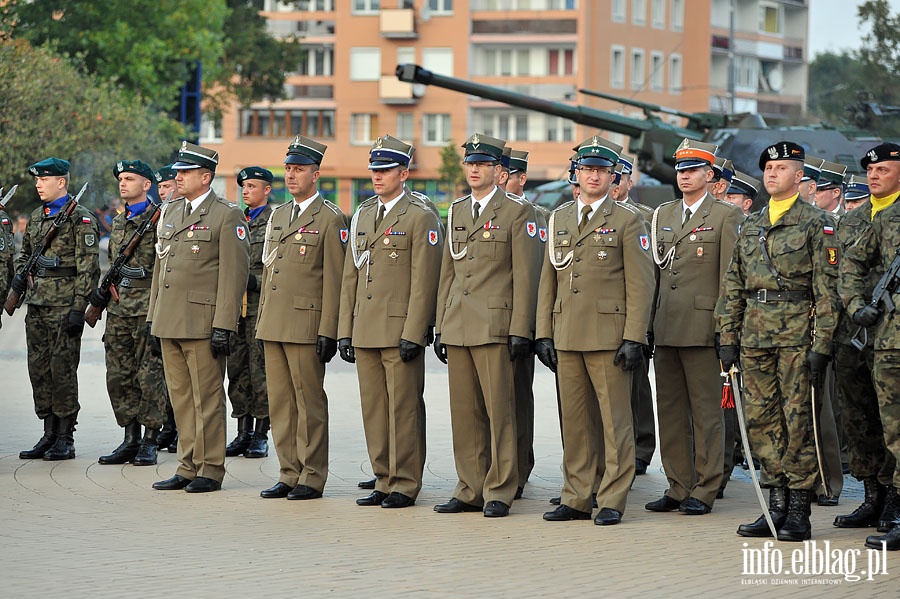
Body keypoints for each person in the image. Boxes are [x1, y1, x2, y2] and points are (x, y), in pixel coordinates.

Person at [717, 141, 839, 541]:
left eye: (782, 167)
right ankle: (776, 507)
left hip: (796, 338)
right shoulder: (751, 224)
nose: (772, 174)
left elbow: (827, 290)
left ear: (799, 175)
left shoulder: (816, 223)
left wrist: (822, 345)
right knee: (761, 422)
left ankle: (800, 510)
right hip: (754, 336)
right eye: (768, 167)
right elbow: (734, 282)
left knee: (798, 421)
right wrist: (727, 335)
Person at [537, 135, 655, 526]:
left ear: (612, 177)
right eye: (587, 170)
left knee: (614, 422)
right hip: (567, 332)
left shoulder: (627, 219)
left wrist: (634, 337)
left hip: (609, 336)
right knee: (574, 421)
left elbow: (641, 284)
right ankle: (576, 495)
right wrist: (543, 332)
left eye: (602, 171)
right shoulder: (561, 217)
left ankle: (611, 499)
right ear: (577, 173)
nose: (593, 176)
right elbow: (548, 280)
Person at [432, 133, 537, 518]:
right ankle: (469, 487)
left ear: (498, 170)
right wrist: (441, 323)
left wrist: (521, 329)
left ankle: (500, 488)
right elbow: (449, 270)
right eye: (470, 163)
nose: (474, 170)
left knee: (500, 412)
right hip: (459, 323)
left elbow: (526, 276)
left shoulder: (515, 211)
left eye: (482, 164)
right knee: (465, 413)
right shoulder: (458, 210)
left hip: (496, 324)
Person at [337, 135, 441, 509]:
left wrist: (415, 331)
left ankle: (405, 482)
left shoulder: (420, 215)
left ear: (404, 173)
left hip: (399, 329)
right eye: (375, 171)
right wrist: (344, 331)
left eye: (385, 171)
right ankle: (383, 478)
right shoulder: (364, 214)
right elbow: (351, 275)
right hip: (365, 327)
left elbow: (424, 279)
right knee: (374, 408)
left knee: (404, 408)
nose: (377, 177)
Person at [644, 139, 741, 516]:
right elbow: (655, 274)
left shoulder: (724, 216)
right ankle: (677, 484)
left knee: (706, 413)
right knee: (669, 410)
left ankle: (705, 486)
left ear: (709, 175)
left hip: (704, 328)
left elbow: (729, 278)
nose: (684, 176)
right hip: (666, 326)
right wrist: (648, 324)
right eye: (680, 170)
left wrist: (726, 331)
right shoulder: (663, 214)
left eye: (692, 171)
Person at [148, 142, 250, 493]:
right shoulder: (171, 210)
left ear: (205, 177)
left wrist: (224, 324)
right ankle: (187, 465)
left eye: (185, 172)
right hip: (169, 320)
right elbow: (161, 266)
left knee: (206, 398)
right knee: (180, 398)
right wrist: (153, 317)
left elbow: (234, 275)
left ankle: (210, 468)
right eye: (177, 171)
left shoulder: (226, 214)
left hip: (203, 322)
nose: (177, 177)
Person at [255, 135, 346, 500]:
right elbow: (270, 272)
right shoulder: (278, 215)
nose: (291, 176)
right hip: (274, 322)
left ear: (316, 174)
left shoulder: (330, 217)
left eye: (299, 170)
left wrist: (329, 330)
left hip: (306, 325)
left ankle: (312, 475)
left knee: (309, 403)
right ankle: (288, 471)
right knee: (279, 402)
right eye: (289, 169)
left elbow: (336, 280)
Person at [834, 143, 899, 534]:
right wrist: (855, 304)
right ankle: (873, 495)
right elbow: (846, 270)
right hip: (854, 331)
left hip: (890, 336)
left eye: (883, 170)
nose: (874, 176)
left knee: (893, 421)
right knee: (858, 419)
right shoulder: (853, 222)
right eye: (870, 171)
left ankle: (894, 499)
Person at [15, 158, 100, 460]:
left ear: (61, 182)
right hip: (37, 305)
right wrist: (19, 277)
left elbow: (89, 268)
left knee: (62, 370)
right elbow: (23, 254)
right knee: (38, 370)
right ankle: (48, 432)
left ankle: (66, 436)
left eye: (44, 179)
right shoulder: (38, 216)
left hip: (64, 306)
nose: (38, 184)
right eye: (37, 180)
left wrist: (79, 308)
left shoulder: (81, 219)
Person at [93, 160, 168, 466]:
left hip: (146, 310)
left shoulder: (161, 219)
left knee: (149, 375)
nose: (123, 184)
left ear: (146, 185)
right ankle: (130, 438)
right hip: (119, 309)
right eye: (121, 179)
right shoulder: (121, 221)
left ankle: (150, 440)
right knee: (119, 375)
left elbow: (164, 269)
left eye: (130, 179)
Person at [499, 147, 545, 499]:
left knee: (516, 399)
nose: (502, 178)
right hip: (484, 321)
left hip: (519, 322)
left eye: (508, 174)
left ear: (520, 178)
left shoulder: (538, 215)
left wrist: (529, 328)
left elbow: (536, 278)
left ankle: (518, 469)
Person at [610, 156, 657, 476]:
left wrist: (646, 326)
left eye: (619, 178)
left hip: (633, 319)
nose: (614, 184)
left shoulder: (645, 218)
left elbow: (651, 275)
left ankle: (641, 448)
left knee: (637, 388)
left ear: (629, 182)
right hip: (599, 319)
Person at [224, 167, 274, 459]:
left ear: (267, 190)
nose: (246, 191)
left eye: (253, 186)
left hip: (259, 306)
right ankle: (242, 432)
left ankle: (260, 434)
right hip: (235, 309)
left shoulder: (273, 222)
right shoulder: (236, 220)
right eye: (244, 186)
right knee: (237, 370)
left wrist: (256, 281)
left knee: (260, 372)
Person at [153, 163, 179, 453]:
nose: (164, 191)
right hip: (158, 304)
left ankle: (179, 430)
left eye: (168, 185)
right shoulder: (157, 217)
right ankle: (168, 426)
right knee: (162, 376)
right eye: (160, 187)